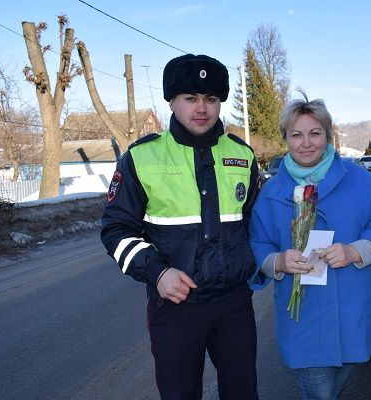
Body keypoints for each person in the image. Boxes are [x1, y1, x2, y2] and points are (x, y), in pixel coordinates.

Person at [101, 54, 260, 400]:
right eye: (190, 98)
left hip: (234, 302)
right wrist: (158, 274)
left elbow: (254, 224)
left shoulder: (243, 157)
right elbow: (116, 230)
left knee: (243, 392)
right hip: (175, 306)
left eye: (211, 98)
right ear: (171, 100)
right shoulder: (141, 158)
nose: (201, 107)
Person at [249, 90, 371, 400]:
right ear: (286, 139)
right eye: (296, 135)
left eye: (315, 133)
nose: (306, 142)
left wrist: (354, 251)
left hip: (351, 310)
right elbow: (257, 242)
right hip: (303, 318)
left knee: (336, 384)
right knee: (319, 392)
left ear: (328, 135)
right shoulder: (272, 191)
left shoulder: (361, 181)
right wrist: (278, 261)